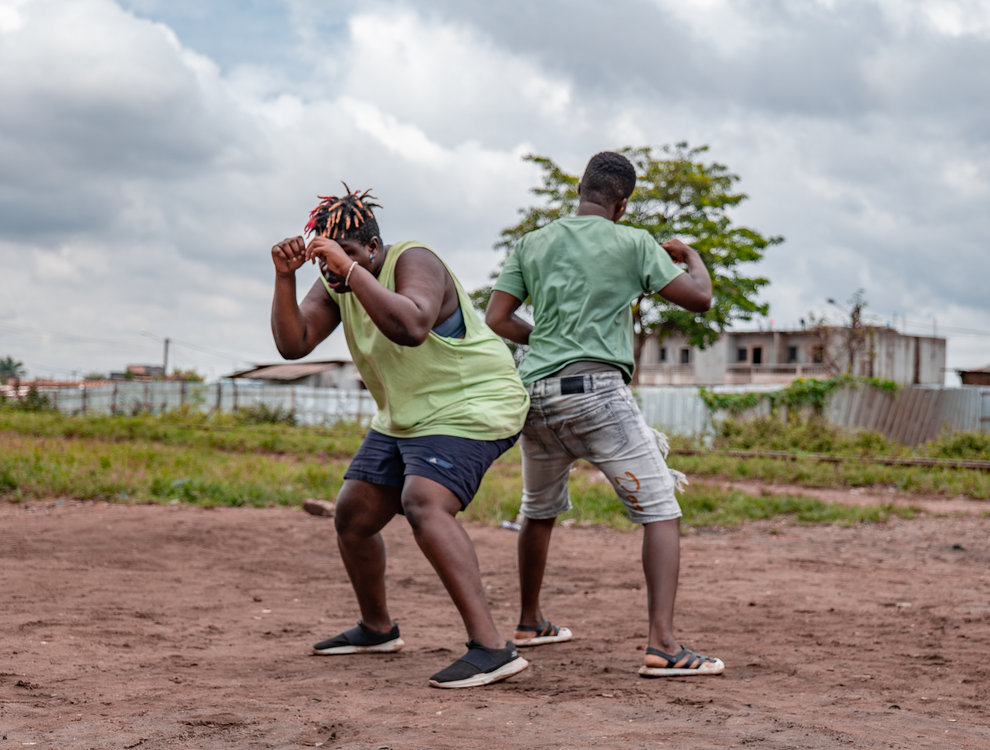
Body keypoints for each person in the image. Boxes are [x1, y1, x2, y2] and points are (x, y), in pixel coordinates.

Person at [269, 184, 530, 689]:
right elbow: (294, 343)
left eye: (345, 254)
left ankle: (493, 649)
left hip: (472, 402)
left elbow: (410, 325)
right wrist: (285, 280)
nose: (331, 266)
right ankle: (377, 628)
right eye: (325, 257)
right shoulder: (336, 284)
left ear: (371, 248)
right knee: (354, 515)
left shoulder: (415, 261)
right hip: (408, 414)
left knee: (424, 501)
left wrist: (347, 271)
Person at [485, 152, 725, 677]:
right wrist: (690, 254)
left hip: (536, 396)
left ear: (580, 190)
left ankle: (530, 621)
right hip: (596, 393)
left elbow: (497, 318)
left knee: (538, 510)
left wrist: (546, 340)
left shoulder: (532, 242)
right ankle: (663, 645)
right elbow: (700, 299)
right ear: (621, 204)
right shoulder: (634, 241)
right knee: (660, 509)